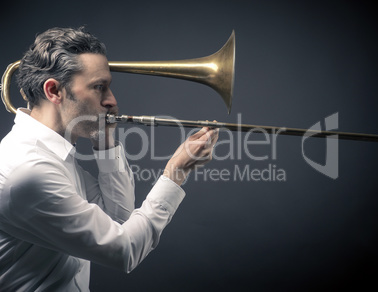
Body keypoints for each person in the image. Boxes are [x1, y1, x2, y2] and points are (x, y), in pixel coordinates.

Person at [0, 27, 218, 291]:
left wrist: (103, 142)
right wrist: (176, 172)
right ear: (54, 91)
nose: (112, 101)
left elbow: (119, 220)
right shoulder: (30, 169)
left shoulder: (52, 155)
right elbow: (125, 250)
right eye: (99, 88)